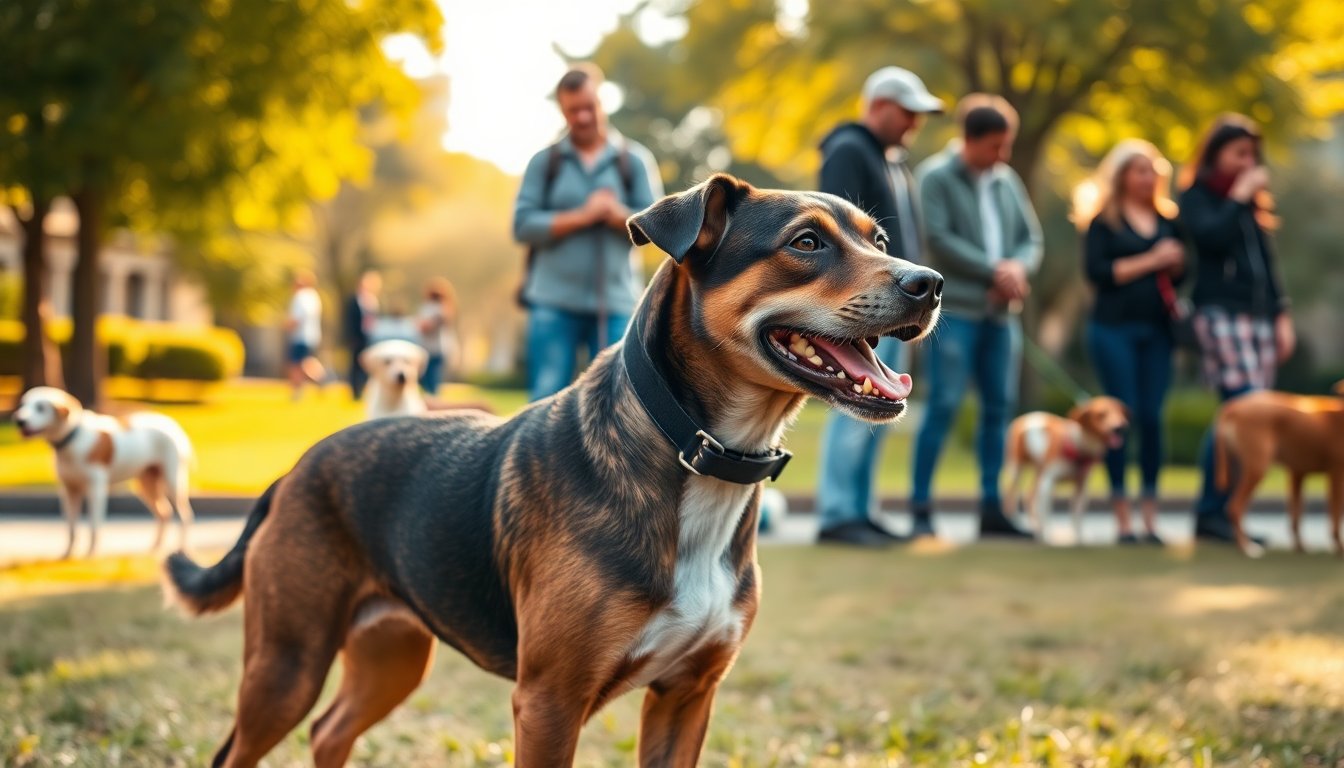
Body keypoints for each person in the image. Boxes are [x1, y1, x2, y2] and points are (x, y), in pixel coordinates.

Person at [813, 66, 945, 548]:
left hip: (896, 304)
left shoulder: (895, 161)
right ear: (879, 106)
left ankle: (862, 511)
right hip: (862, 306)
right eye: (907, 113)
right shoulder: (849, 151)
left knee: (878, 405)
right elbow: (837, 234)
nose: (914, 123)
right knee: (851, 404)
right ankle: (837, 514)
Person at [911, 95, 1042, 539]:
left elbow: (1030, 237)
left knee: (998, 408)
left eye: (1006, 146)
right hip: (958, 313)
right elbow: (939, 238)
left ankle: (992, 506)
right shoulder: (934, 177)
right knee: (944, 405)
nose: (1002, 156)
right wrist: (995, 270)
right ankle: (921, 507)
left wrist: (1018, 267)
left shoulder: (1005, 181)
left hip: (1001, 315)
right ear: (969, 139)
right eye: (995, 146)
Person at [513, 63, 662, 401]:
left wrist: (615, 215)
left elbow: (656, 228)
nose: (581, 117)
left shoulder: (634, 161)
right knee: (545, 398)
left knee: (619, 401)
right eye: (572, 110)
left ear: (602, 101)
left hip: (616, 303)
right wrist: (581, 216)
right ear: (562, 111)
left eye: (588, 107)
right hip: (552, 302)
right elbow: (522, 226)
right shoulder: (544, 162)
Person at [1180, 114, 1293, 544]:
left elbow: (1267, 264)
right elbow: (1208, 241)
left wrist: (1282, 315)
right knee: (1240, 408)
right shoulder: (1196, 197)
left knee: (1251, 413)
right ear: (1217, 154)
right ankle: (1212, 510)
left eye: (1252, 155)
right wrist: (1238, 198)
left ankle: (1228, 512)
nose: (1248, 162)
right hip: (1220, 312)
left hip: (1260, 315)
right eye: (1239, 153)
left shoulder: (1250, 206)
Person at [1075, 140, 1185, 545]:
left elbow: (1179, 279)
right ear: (1121, 176)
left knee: (1153, 419)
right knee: (1122, 419)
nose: (1148, 175)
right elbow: (1098, 274)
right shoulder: (1103, 223)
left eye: (1152, 168)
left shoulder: (1169, 221)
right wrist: (1154, 260)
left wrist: (1174, 266)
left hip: (1157, 332)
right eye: (1138, 169)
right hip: (1112, 331)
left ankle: (1151, 518)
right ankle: (1123, 520)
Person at [285, 270, 326, 401]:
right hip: (312, 336)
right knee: (306, 363)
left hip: (300, 336)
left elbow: (297, 318)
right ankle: (321, 379)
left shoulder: (300, 297)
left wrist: (286, 326)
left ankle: (297, 392)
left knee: (296, 365)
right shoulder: (314, 297)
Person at [418, 277, 461, 395]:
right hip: (430, 349)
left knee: (431, 381)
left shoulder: (438, 309)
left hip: (434, 350)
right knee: (428, 380)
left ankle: (432, 402)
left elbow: (425, 326)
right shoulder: (434, 308)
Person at [342, 270, 381, 401]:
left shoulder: (372, 301)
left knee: (367, 365)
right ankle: (355, 392)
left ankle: (364, 389)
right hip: (356, 337)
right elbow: (349, 320)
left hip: (369, 336)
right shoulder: (353, 300)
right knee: (355, 365)